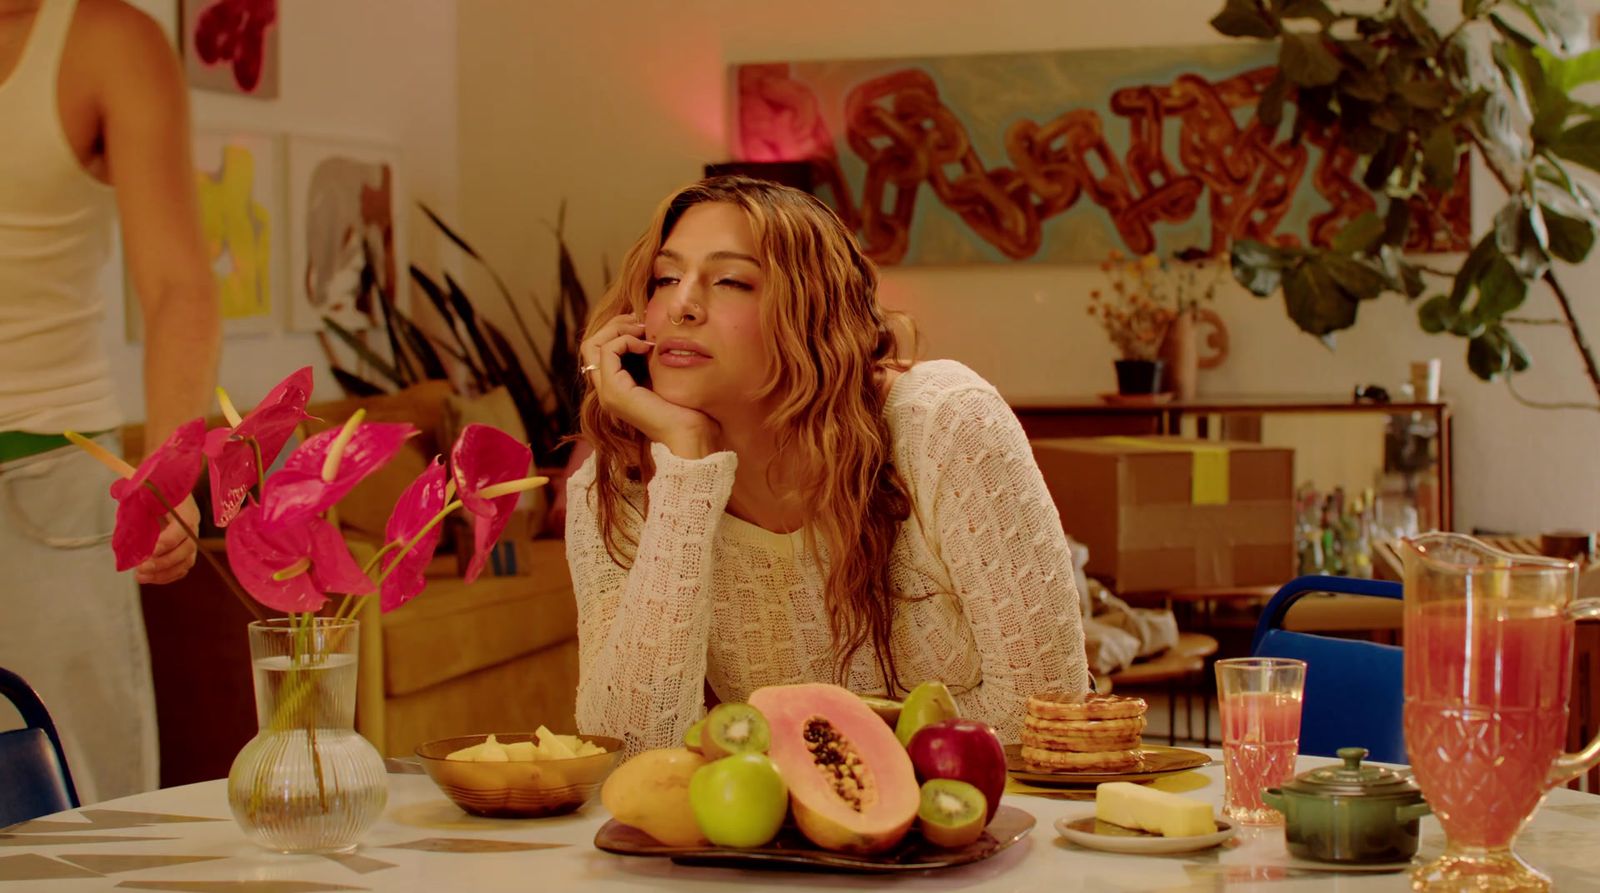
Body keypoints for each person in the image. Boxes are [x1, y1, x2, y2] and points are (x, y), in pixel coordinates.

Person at [570, 176, 1087, 754]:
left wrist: (820, 770)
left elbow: (1047, 715)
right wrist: (686, 464)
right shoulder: (617, 486)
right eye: (666, 278)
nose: (680, 307)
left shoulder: (943, 423)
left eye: (731, 281)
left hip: (991, 824)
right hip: (782, 836)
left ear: (812, 314)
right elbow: (631, 750)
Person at [0, 0, 220, 802]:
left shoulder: (107, 43)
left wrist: (169, 476)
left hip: (50, 494)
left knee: (86, 822)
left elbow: (177, 289)